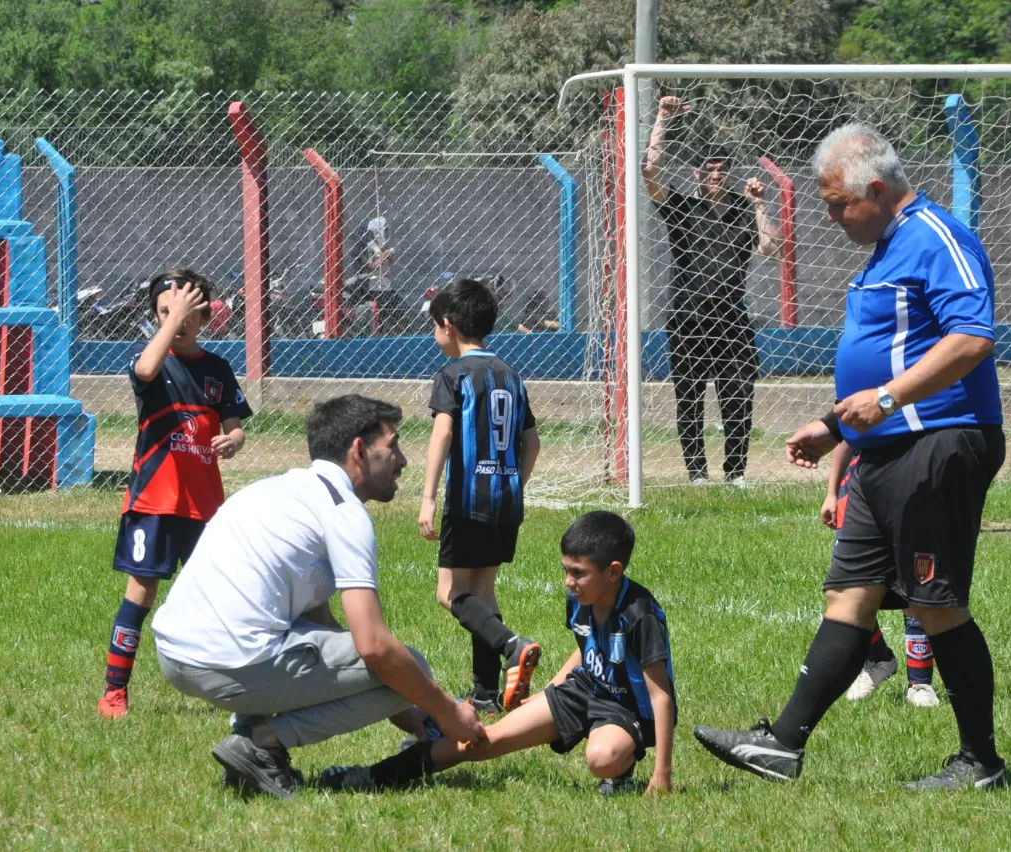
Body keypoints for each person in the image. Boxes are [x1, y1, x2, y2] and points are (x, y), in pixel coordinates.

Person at [693, 123, 1008, 790]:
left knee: (936, 604)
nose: (831, 217)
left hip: (938, 442)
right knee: (848, 594)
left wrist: (888, 401)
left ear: (875, 188)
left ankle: (981, 762)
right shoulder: (886, 250)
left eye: (838, 204)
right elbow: (887, 358)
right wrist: (836, 426)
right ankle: (783, 744)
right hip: (880, 453)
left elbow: (972, 338)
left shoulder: (935, 236)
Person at [151, 395, 486, 799]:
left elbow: (320, 626)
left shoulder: (278, 489)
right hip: (228, 661)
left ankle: (250, 742)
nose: (402, 460)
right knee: (410, 664)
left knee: (390, 672)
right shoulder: (343, 512)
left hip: (175, 654)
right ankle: (262, 743)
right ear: (358, 450)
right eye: (393, 445)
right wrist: (446, 711)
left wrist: (408, 709)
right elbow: (375, 647)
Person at [319, 511, 677, 797]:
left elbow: (661, 697)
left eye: (578, 573)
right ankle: (371, 776)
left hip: (628, 708)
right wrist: (552, 692)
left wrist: (662, 774)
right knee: (481, 743)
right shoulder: (580, 598)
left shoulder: (639, 615)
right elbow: (586, 649)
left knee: (601, 758)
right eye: (566, 570)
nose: (568, 581)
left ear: (613, 572)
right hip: (586, 690)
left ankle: (622, 769)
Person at [96, 268, 251, 719]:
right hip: (154, 504)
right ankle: (114, 691)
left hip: (203, 507)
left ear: (205, 316)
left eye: (187, 313)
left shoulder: (218, 369)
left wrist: (234, 441)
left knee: (219, 598)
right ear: (156, 316)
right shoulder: (151, 361)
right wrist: (168, 322)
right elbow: (145, 367)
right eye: (167, 312)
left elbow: (235, 426)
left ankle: (236, 689)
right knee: (140, 594)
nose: (178, 321)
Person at [420, 278, 544, 713]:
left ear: (448, 326)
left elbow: (443, 433)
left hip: (468, 500)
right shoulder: (510, 374)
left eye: (434, 327)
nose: (434, 335)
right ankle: (487, 693)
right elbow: (533, 443)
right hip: (506, 500)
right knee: (484, 595)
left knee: (450, 593)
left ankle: (512, 645)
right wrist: (514, 484)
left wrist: (428, 497)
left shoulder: (452, 375)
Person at [643, 95, 779, 486]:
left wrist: (758, 204)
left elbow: (771, 248)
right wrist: (662, 119)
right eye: (709, 168)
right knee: (689, 399)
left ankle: (735, 474)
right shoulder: (682, 207)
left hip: (733, 320)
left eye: (722, 168)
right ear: (698, 173)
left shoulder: (742, 208)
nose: (716, 174)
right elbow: (649, 171)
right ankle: (697, 475)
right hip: (688, 319)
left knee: (739, 395)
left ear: (731, 173)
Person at [821, 444, 939, 708]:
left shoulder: (918, 403)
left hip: (914, 485)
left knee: (916, 586)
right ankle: (878, 658)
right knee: (845, 589)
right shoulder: (859, 403)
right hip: (858, 490)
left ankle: (920, 683)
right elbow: (844, 438)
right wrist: (831, 493)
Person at [354, 216, 405, 336]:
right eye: (385, 230)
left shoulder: (378, 246)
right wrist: (384, 255)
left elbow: (386, 263)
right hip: (365, 281)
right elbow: (370, 266)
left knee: (393, 300)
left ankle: (394, 324)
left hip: (378, 281)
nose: (387, 233)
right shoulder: (366, 245)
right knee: (393, 299)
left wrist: (385, 255)